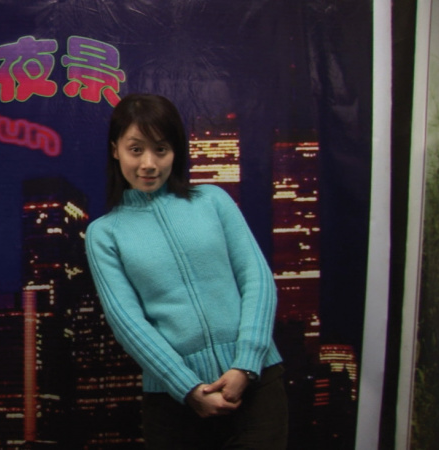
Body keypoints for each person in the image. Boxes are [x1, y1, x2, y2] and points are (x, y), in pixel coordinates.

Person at [84, 93, 288, 449]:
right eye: (136, 149)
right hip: (174, 405)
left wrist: (246, 364)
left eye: (161, 149)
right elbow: (127, 322)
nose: (149, 163)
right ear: (116, 150)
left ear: (176, 151)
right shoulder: (104, 233)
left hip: (257, 386)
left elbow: (256, 279)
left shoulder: (213, 200)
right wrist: (187, 387)